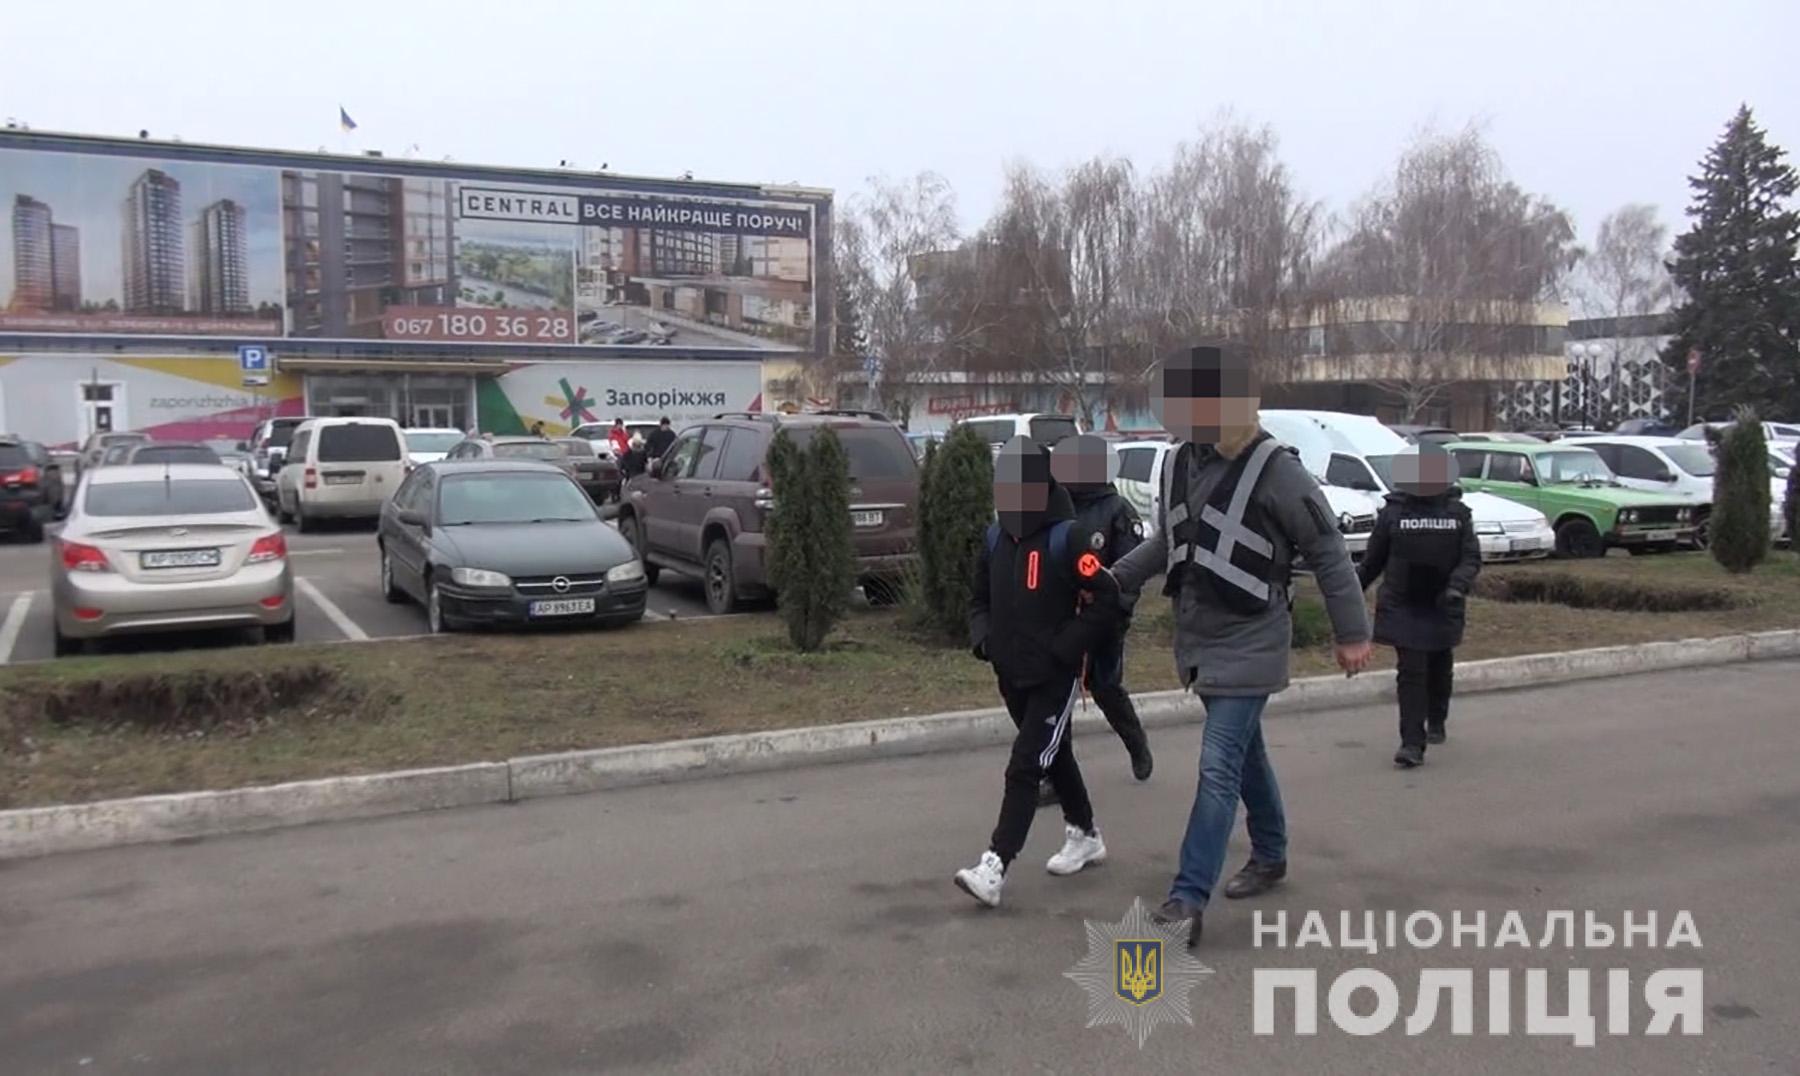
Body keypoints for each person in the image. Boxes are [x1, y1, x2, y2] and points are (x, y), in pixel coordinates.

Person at [1112, 342, 1372, 948]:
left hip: (1254, 635)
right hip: (1200, 638)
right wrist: (1114, 578)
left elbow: (1327, 549)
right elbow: (1170, 541)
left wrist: (1352, 631)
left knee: (1218, 764)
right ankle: (1272, 853)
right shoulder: (1179, 461)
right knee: (1244, 754)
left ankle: (1187, 897)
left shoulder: (1275, 467)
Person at [953, 436, 1127, 909]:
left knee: (1027, 764)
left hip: (1055, 675)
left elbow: (1107, 597)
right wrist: (984, 640)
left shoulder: (1067, 537)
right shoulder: (994, 538)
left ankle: (995, 865)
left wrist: (1067, 647)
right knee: (1055, 752)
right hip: (1011, 674)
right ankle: (1085, 833)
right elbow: (978, 600)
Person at [1355, 443, 1481, 768]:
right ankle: (1412, 743)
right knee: (1411, 673)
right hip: (1403, 605)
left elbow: (1470, 558)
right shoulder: (1393, 513)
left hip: (1443, 602)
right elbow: (1373, 561)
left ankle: (1437, 718)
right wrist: (1350, 594)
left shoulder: (1457, 513)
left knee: (1439, 667)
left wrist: (1457, 586)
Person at [1050, 433, 1154, 782]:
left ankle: (1136, 743)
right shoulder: (1055, 507)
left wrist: (1113, 608)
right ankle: (1055, 772)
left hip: (1104, 619)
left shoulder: (1118, 510)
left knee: (1105, 686)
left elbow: (1131, 570)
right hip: (1062, 617)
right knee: (1054, 693)